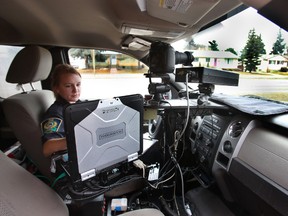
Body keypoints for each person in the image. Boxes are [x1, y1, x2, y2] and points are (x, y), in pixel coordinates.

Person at [41, 64, 82, 158]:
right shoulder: (56, 113)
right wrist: (82, 138)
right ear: (57, 89)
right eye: (68, 86)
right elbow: (47, 148)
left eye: (78, 84)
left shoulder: (80, 105)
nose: (75, 90)